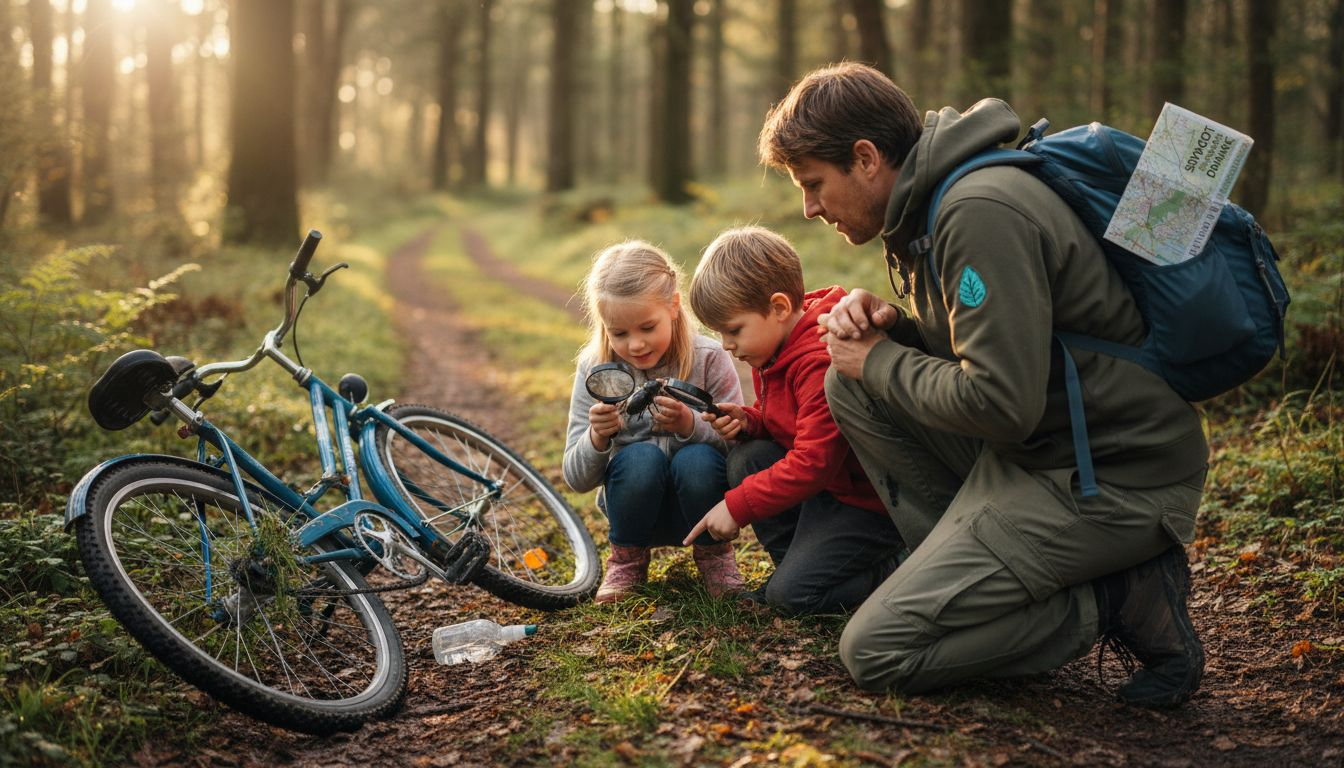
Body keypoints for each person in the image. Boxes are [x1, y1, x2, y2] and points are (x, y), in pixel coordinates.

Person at [757, 62, 1209, 707]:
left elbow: (1002, 403)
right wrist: (892, 330)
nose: (809, 208)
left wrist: (881, 359)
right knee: (850, 383)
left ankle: (1114, 597)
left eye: (813, 184)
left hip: (1113, 478)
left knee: (876, 651)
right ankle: (971, 574)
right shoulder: (932, 204)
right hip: (1043, 453)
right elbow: (996, 349)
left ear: (864, 157)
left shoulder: (977, 211)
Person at [682, 226, 904, 615]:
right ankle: (795, 568)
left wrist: (736, 507)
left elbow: (814, 462)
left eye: (733, 330)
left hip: (868, 505)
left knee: (793, 598)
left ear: (780, 308)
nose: (726, 345)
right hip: (832, 491)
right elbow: (792, 424)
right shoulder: (772, 346)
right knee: (747, 457)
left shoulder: (818, 359)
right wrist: (752, 423)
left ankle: (896, 567)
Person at [563, 240, 746, 603]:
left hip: (700, 511)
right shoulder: (595, 367)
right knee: (639, 457)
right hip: (632, 512)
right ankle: (627, 562)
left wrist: (690, 426)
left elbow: (741, 446)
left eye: (647, 327)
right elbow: (576, 477)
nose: (635, 345)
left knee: (698, 458)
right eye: (619, 333)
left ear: (674, 306)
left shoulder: (708, 358)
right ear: (603, 325)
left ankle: (716, 560)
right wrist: (597, 438)